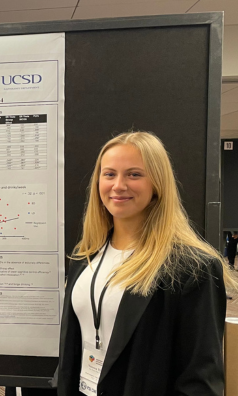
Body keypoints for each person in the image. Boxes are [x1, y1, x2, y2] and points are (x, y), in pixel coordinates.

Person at [57, 131, 235, 396]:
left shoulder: (192, 267)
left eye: (134, 174)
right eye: (109, 174)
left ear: (157, 183)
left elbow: (200, 378)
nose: (118, 185)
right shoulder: (85, 256)